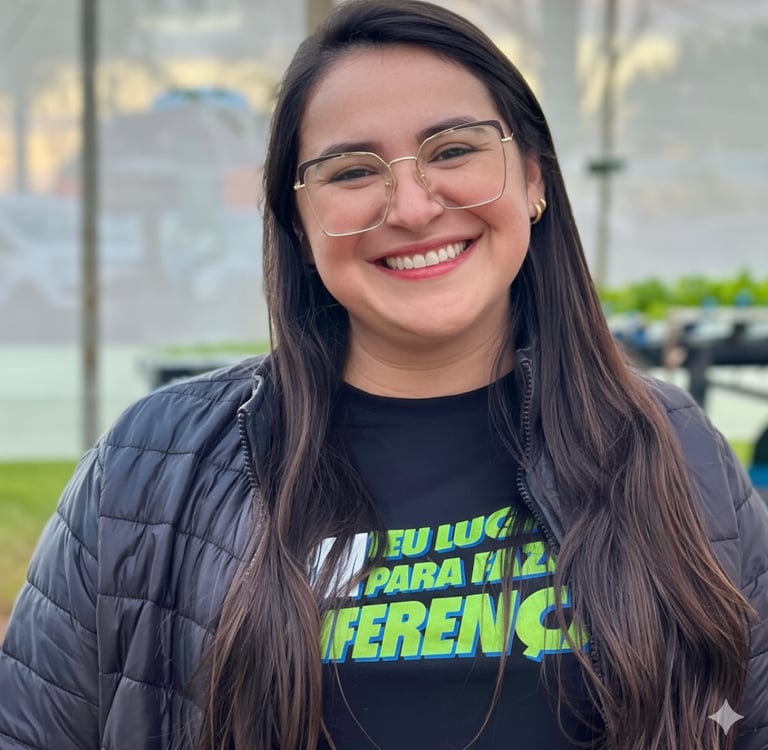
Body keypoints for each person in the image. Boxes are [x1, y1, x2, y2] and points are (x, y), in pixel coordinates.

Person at [1, 1, 767, 748]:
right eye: (351, 170)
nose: (411, 207)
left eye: (454, 150)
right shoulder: (148, 467)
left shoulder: (672, 448)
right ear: (298, 224)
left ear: (534, 178)